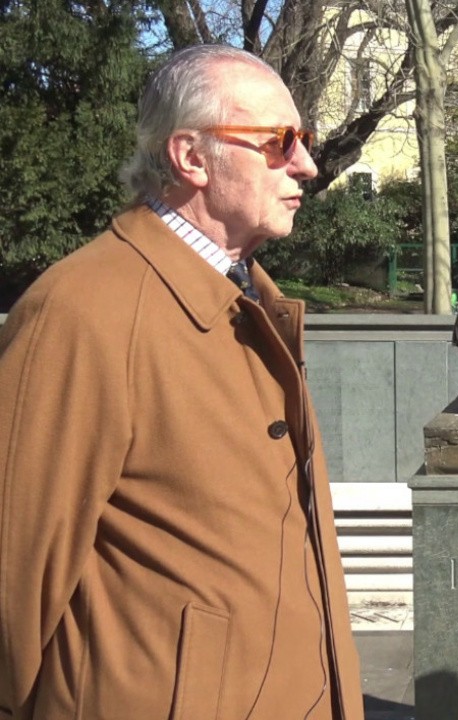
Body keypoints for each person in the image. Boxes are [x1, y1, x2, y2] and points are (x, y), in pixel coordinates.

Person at [0, 45, 363, 719]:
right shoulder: (82, 312)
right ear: (191, 157)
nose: (307, 166)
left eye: (305, 141)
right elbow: (12, 579)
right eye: (279, 142)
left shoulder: (254, 299)